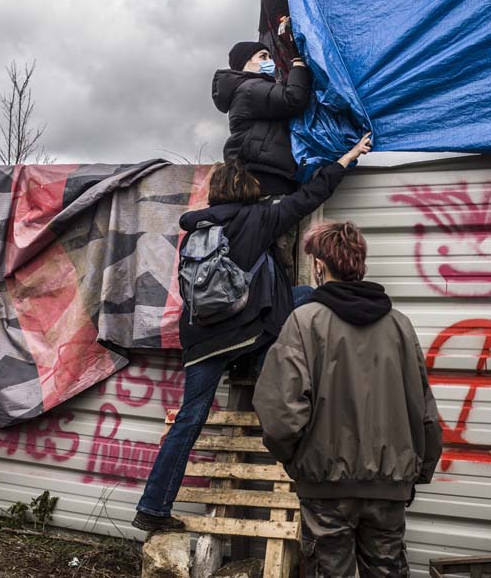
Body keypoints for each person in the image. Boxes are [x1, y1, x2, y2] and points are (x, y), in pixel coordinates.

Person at [131, 134, 372, 533]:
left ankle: (152, 508)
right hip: (247, 332)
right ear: (248, 191)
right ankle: (263, 367)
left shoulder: (196, 232)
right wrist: (347, 157)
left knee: (190, 419)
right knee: (308, 294)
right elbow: (312, 195)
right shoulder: (258, 219)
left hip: (201, 340)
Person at [253, 221, 443, 578]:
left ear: (320, 267)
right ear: (360, 264)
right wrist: (417, 471)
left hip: (325, 488)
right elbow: (424, 411)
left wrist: (298, 462)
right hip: (390, 488)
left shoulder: (304, 322)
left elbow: (281, 415)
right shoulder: (400, 325)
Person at [213, 41, 311, 197]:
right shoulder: (251, 88)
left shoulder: (251, 88)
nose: (270, 61)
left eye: (270, 57)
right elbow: (293, 99)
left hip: (262, 170)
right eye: (263, 56)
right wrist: (298, 65)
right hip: (265, 174)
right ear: (245, 63)